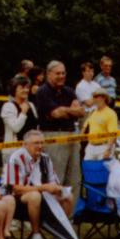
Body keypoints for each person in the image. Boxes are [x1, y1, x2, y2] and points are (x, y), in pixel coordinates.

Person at [3, 129, 74, 239]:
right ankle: (36, 235)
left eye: (42, 143)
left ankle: (59, 235)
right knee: (35, 196)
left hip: (42, 195)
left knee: (67, 196)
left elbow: (53, 181)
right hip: (17, 200)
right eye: (36, 143)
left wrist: (58, 188)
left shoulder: (45, 159)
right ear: (25, 144)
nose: (40, 146)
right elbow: (14, 188)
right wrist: (43, 188)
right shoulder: (15, 158)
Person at [34, 60, 86, 197]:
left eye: (63, 73)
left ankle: (69, 216)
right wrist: (69, 110)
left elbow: (81, 112)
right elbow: (56, 114)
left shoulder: (69, 91)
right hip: (53, 137)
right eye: (58, 73)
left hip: (72, 136)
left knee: (74, 179)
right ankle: (55, 214)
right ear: (48, 74)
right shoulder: (42, 92)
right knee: (57, 177)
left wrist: (64, 110)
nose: (61, 76)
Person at [81, 87, 120, 161]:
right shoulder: (92, 112)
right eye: (94, 97)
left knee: (103, 171)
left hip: (104, 146)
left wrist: (108, 149)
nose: (95, 99)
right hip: (90, 146)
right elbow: (84, 128)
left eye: (97, 97)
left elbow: (113, 134)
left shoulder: (110, 113)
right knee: (88, 169)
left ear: (104, 98)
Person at [0, 75, 40, 145]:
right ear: (14, 89)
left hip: (31, 148)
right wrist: (23, 113)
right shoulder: (8, 107)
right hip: (13, 150)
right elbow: (16, 128)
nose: (26, 90)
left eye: (27, 87)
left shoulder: (31, 105)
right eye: (22, 88)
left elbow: (36, 126)